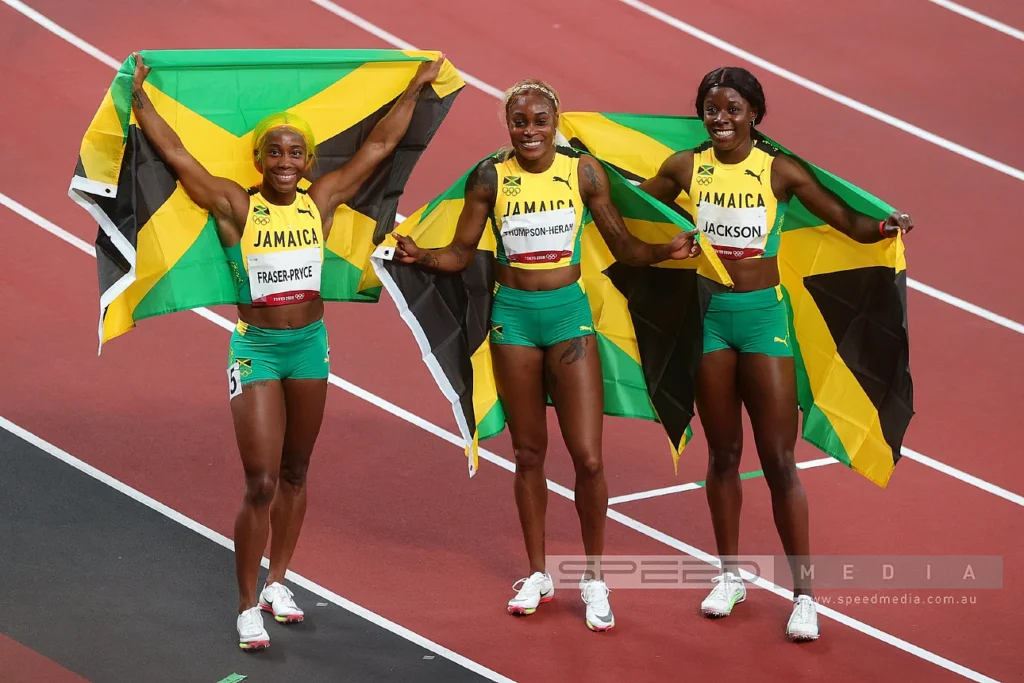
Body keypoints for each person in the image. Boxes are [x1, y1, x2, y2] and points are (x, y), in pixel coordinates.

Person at [129, 52, 445, 651]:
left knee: (297, 473)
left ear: (307, 161)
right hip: (258, 352)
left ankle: (279, 581)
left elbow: (377, 149)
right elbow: (176, 156)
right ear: (258, 159)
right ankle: (246, 605)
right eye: (274, 151)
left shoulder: (319, 201)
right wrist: (139, 100)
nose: (284, 161)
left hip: (311, 347)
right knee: (261, 481)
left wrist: (416, 86)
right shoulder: (234, 205)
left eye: (295, 152)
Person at [390, 78, 701, 632]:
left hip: (568, 320)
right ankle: (538, 573)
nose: (529, 130)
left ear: (555, 121)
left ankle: (595, 578)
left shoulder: (582, 173)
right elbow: (463, 252)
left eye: (538, 120)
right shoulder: (490, 177)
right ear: (507, 126)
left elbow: (621, 243)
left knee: (589, 458)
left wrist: (664, 250)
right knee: (529, 453)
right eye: (519, 121)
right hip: (514, 320)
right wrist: (422, 256)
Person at [639, 66, 914, 641]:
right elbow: (635, 208)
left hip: (764, 321)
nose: (721, 119)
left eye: (733, 109)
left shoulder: (779, 170)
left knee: (779, 461)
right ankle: (730, 576)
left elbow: (844, 219)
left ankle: (805, 596)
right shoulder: (685, 167)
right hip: (710, 320)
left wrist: (884, 226)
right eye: (711, 109)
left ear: (755, 114)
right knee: (721, 456)